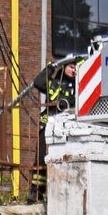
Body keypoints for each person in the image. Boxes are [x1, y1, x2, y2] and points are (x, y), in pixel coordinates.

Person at [29, 62, 76, 201]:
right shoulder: (55, 82)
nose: (73, 70)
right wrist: (51, 67)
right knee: (42, 158)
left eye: (75, 68)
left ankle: (59, 192)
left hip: (67, 127)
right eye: (71, 67)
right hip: (49, 124)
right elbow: (38, 82)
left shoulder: (79, 85)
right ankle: (36, 191)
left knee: (64, 159)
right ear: (64, 66)